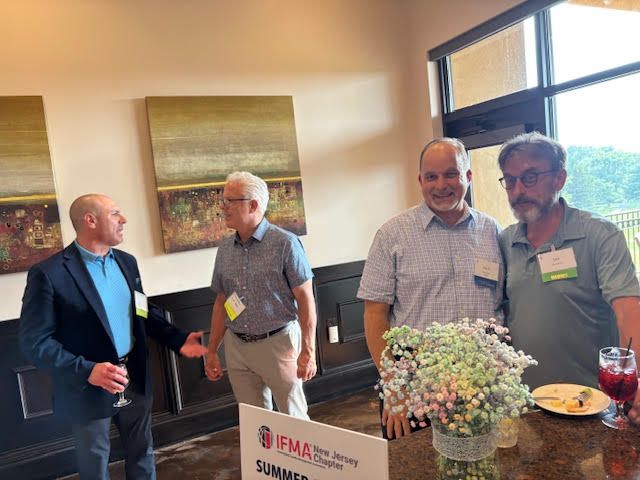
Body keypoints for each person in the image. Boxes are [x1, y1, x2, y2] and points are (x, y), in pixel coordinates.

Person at [19, 194, 208, 480]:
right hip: (86, 388)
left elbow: (141, 310)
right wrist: (87, 371)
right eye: (115, 213)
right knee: (94, 463)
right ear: (90, 220)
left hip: (134, 377)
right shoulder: (49, 274)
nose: (124, 219)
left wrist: (178, 339)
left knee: (142, 453)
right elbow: (35, 342)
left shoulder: (127, 263)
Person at [358, 137, 504, 439]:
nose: (441, 185)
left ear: (468, 176)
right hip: (413, 382)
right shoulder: (392, 235)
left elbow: (505, 304)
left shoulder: (492, 231)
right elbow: (374, 315)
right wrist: (394, 385)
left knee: (484, 459)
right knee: (414, 462)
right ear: (420, 180)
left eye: (451, 174)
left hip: (481, 381)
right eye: (431, 176)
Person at [497, 132, 640, 424]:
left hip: (593, 407)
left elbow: (628, 310)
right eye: (510, 180)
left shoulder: (599, 235)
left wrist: (636, 378)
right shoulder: (504, 242)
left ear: (559, 179)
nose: (518, 190)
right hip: (527, 406)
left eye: (530, 177)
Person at [205, 171, 317, 419]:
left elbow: (305, 299)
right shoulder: (225, 249)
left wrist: (308, 352)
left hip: (278, 344)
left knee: (294, 420)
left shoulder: (286, 243)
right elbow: (222, 302)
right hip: (237, 347)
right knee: (256, 423)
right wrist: (212, 351)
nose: (222, 207)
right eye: (223, 200)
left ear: (253, 205)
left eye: (229, 201)